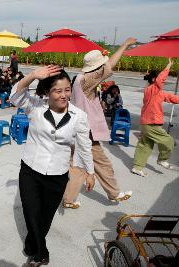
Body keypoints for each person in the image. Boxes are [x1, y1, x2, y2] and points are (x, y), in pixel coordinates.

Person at [10, 65, 95, 266]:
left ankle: (33, 244)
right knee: (31, 213)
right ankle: (40, 254)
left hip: (57, 174)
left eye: (67, 90)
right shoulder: (35, 106)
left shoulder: (79, 116)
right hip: (30, 170)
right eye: (58, 91)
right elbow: (14, 96)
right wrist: (31, 76)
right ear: (47, 92)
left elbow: (84, 145)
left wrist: (90, 172)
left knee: (45, 218)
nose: (64, 95)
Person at [63, 38, 136, 209]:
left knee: (78, 167)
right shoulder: (87, 80)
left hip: (77, 129)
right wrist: (124, 45)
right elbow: (109, 67)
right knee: (100, 163)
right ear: (96, 68)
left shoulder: (79, 79)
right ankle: (113, 193)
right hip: (85, 132)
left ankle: (70, 199)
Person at [131, 58, 179, 177]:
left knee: (145, 146)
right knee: (168, 141)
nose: (163, 82)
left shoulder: (158, 92)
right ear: (154, 79)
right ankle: (162, 159)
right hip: (151, 123)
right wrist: (168, 66)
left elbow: (172, 98)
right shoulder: (151, 89)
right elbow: (159, 80)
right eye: (162, 80)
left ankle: (137, 167)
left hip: (146, 123)